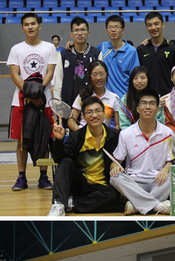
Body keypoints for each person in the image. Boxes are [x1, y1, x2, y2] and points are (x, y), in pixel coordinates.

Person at [47, 97, 124, 216]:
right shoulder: (76, 136)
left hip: (104, 187)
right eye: (89, 112)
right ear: (83, 116)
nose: (94, 115)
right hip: (81, 185)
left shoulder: (116, 135)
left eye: (98, 111)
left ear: (104, 113)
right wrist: (59, 140)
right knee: (66, 161)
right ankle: (59, 204)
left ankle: (73, 203)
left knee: (113, 195)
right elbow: (58, 158)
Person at [7, 12, 57, 192]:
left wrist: (38, 93)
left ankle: (44, 177)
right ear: (22, 28)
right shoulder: (16, 49)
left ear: (39, 26)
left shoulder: (49, 47)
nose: (30, 27)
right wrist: (30, 95)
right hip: (21, 101)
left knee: (44, 138)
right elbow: (15, 75)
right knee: (22, 141)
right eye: (26, 24)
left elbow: (50, 72)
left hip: (45, 102)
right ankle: (21, 177)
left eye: (33, 23)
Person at [110, 88, 173, 215]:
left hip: (159, 181)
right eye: (144, 103)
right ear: (137, 109)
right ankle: (157, 205)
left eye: (152, 103)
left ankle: (138, 205)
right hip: (135, 182)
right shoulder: (126, 134)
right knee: (114, 178)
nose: (147, 107)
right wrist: (114, 167)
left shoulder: (167, 133)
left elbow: (170, 161)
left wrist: (165, 170)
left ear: (157, 109)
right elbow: (116, 161)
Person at [53, 17, 103, 108]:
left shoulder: (96, 54)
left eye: (83, 30)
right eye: (76, 30)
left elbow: (100, 82)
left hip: (91, 106)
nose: (80, 33)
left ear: (88, 33)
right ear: (71, 34)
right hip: (68, 104)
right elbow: (58, 81)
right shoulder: (64, 54)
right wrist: (58, 105)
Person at [136, 12, 175, 96]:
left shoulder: (172, 49)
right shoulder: (141, 49)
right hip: (147, 96)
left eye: (156, 24)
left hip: (168, 96)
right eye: (149, 25)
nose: (153, 28)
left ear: (163, 25)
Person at [69, 60, 120, 130]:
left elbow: (117, 125)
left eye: (101, 74)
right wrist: (81, 134)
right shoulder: (83, 95)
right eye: (95, 74)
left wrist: (109, 135)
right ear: (89, 76)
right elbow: (71, 121)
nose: (98, 78)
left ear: (106, 75)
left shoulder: (114, 98)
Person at [98, 15, 140, 98]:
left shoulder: (131, 51)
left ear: (123, 30)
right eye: (110, 27)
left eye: (117, 27)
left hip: (124, 98)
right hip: (105, 99)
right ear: (106, 30)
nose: (113, 30)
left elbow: (135, 77)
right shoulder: (102, 47)